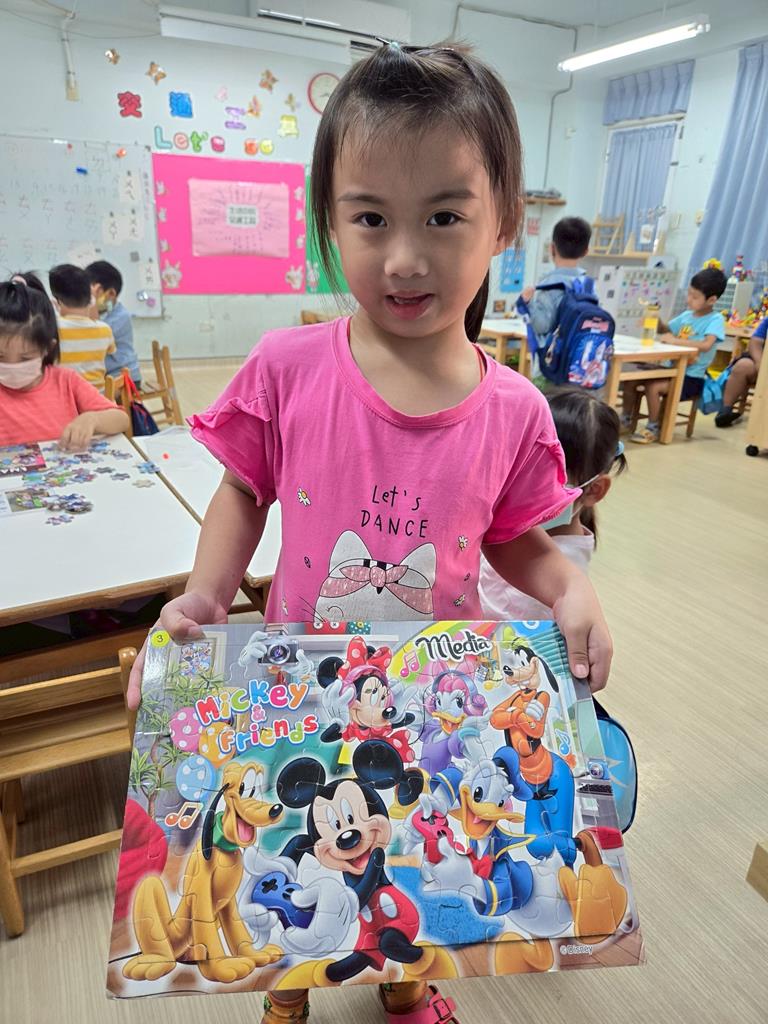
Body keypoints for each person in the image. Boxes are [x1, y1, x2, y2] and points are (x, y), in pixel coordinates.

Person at [125, 42, 612, 1024]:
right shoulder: (287, 367)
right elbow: (244, 490)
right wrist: (207, 597)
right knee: (300, 841)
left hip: (432, 695)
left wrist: (570, 586)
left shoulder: (516, 410)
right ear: (328, 222)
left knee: (407, 846)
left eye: (444, 216)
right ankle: (286, 988)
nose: (405, 257)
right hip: (302, 681)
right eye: (371, 218)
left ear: (504, 222)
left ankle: (406, 975)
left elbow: (514, 535)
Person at [480, 388, 626, 619]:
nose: (522, 489)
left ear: (594, 490)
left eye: (545, 481)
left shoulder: (553, 582)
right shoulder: (518, 534)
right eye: (518, 469)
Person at [0, 274, 129, 448]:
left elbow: (122, 419)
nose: (12, 366)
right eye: (0, 357)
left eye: (25, 357)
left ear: (48, 348)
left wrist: (92, 419)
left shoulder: (65, 380)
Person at [622, 267, 727, 444]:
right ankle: (625, 420)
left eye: (695, 297)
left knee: (653, 387)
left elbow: (706, 345)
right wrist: (656, 321)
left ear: (711, 300)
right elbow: (666, 330)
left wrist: (675, 341)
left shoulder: (715, 319)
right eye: (689, 294)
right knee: (631, 379)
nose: (689, 299)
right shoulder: (686, 316)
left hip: (692, 378)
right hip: (671, 371)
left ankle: (652, 428)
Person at [520, 216, 592, 344]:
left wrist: (527, 303)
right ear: (586, 251)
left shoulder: (549, 284)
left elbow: (542, 326)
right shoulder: (589, 285)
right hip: (583, 352)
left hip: (555, 354)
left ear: (552, 248)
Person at [49, 263, 116, 390]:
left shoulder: (52, 328)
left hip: (66, 398)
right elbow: (110, 351)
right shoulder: (105, 329)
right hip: (98, 397)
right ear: (90, 298)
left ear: (57, 300)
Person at [86, 260, 142, 386]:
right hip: (108, 375)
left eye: (93, 295)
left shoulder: (121, 316)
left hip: (125, 377)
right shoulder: (102, 314)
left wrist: (91, 309)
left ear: (111, 294)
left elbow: (95, 337)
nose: (88, 300)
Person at [715, 315, 766, 427]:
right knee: (742, 366)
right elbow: (755, 342)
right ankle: (725, 411)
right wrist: (760, 364)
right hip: (763, 361)